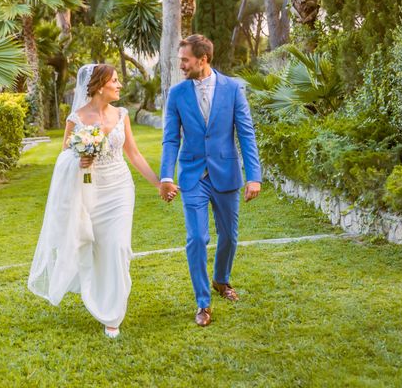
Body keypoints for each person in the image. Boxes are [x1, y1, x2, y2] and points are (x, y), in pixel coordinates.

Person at [28, 63, 169, 338]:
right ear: (99, 85)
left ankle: (112, 314)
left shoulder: (122, 115)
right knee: (97, 248)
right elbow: (63, 157)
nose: (119, 85)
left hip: (119, 188)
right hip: (90, 190)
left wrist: (158, 184)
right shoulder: (76, 119)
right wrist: (79, 158)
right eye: (114, 81)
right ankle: (99, 295)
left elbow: (135, 154)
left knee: (118, 247)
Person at [159, 34, 262, 327]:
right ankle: (203, 303)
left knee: (229, 236)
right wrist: (167, 176)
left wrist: (253, 176)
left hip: (226, 174)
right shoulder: (177, 94)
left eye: (185, 60)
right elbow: (170, 139)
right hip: (192, 176)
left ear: (203, 59)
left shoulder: (232, 89)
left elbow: (246, 133)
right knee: (196, 239)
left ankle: (221, 280)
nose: (181, 65)